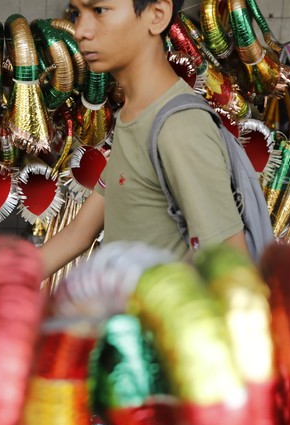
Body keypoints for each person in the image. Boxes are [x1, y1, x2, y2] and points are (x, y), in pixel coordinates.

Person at [40, 0, 248, 277]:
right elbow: (78, 233)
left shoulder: (178, 128)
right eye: (78, 14)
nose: (80, 31)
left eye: (99, 11)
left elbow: (233, 272)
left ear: (157, 15)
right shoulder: (134, 116)